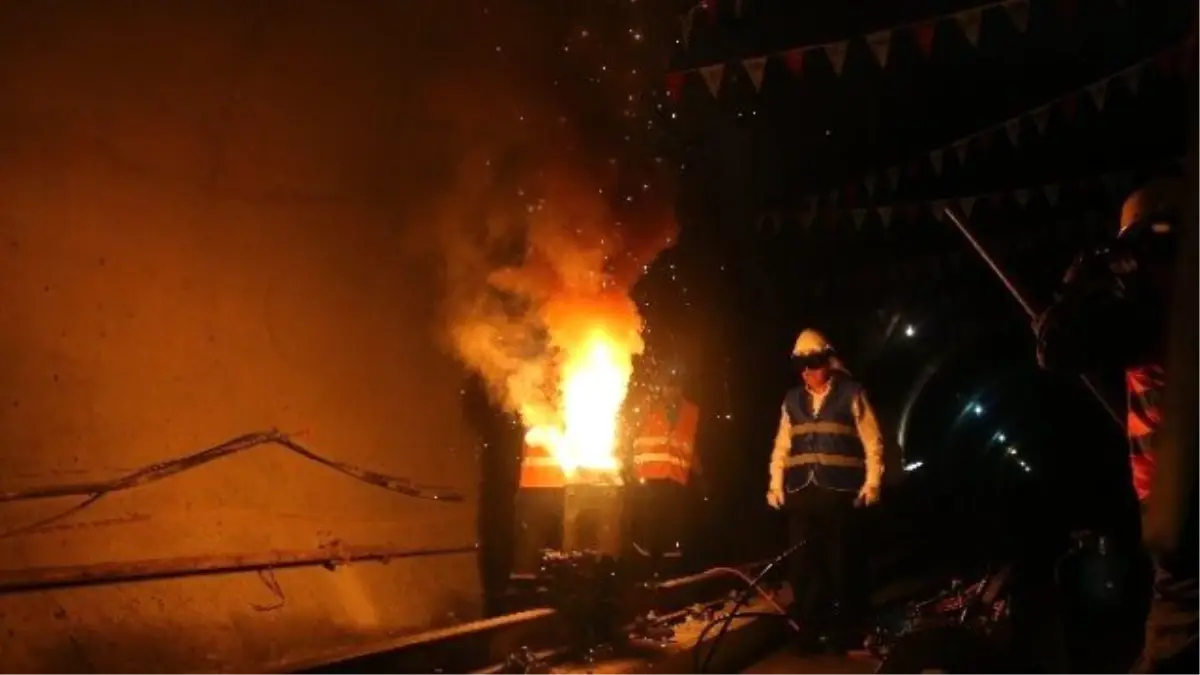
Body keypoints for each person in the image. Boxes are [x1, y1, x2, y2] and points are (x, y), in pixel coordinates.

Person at [1033, 174, 1199, 673]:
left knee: (1172, 644)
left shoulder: (1147, 308)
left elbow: (1055, 346)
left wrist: (1080, 282)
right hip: (1175, 507)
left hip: (1183, 510)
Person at [767, 329, 885, 654]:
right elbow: (782, 446)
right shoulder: (792, 399)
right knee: (803, 566)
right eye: (800, 365)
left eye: (813, 363)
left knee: (841, 564)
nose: (807, 371)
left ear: (828, 361)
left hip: (840, 493)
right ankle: (808, 631)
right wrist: (776, 484)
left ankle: (844, 631)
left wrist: (872, 483)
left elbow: (872, 441)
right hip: (802, 493)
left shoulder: (851, 392)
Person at [628, 374, 701, 577]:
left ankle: (669, 568)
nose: (672, 391)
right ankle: (648, 566)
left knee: (672, 523)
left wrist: (700, 472)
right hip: (649, 476)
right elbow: (630, 435)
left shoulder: (692, 411)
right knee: (651, 523)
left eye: (676, 386)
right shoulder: (647, 407)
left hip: (676, 477)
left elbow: (692, 443)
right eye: (668, 386)